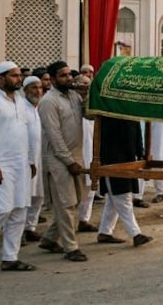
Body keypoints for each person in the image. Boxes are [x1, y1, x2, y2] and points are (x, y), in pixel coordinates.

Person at [37, 61, 88, 262]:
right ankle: (71, 247)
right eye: (63, 75)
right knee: (66, 204)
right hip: (58, 160)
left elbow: (89, 116)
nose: (68, 78)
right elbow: (54, 136)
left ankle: (49, 239)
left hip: (75, 156)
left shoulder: (74, 96)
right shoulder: (49, 102)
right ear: (53, 79)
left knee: (72, 202)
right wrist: (68, 161)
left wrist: (89, 94)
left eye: (69, 74)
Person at [0, 61, 37, 271]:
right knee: (1, 209)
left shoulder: (20, 101)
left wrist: (30, 161)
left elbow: (26, 133)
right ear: (0, 79)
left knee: (20, 209)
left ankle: (10, 257)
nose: (18, 79)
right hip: (0, 165)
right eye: (13, 75)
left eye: (19, 75)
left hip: (21, 164)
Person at [95, 117, 153, 247]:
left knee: (114, 199)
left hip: (127, 160)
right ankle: (135, 234)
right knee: (123, 198)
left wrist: (141, 154)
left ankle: (105, 232)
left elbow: (137, 135)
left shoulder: (130, 114)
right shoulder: (109, 116)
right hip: (113, 161)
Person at [21, 76, 45, 244]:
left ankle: (31, 228)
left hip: (41, 158)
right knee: (23, 197)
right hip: (24, 159)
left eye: (40, 88)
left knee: (39, 196)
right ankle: (18, 231)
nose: (37, 91)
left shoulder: (41, 108)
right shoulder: (20, 108)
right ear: (25, 90)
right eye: (33, 88)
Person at [75, 74, 100, 232]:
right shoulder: (70, 102)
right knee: (74, 190)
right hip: (75, 152)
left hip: (91, 151)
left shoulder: (93, 105)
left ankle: (84, 220)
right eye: (82, 84)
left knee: (91, 188)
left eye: (88, 84)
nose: (85, 87)